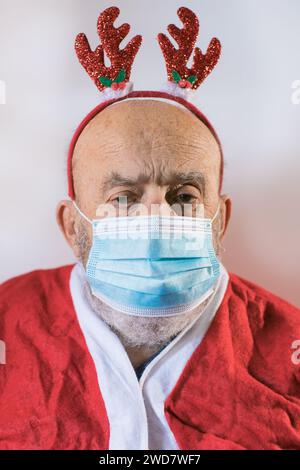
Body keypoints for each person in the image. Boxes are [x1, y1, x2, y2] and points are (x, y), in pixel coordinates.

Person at [0, 6, 299, 451]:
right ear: (71, 225)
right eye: (122, 198)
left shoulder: (287, 347)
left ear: (222, 220)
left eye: (184, 196)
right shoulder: (9, 323)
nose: (157, 217)